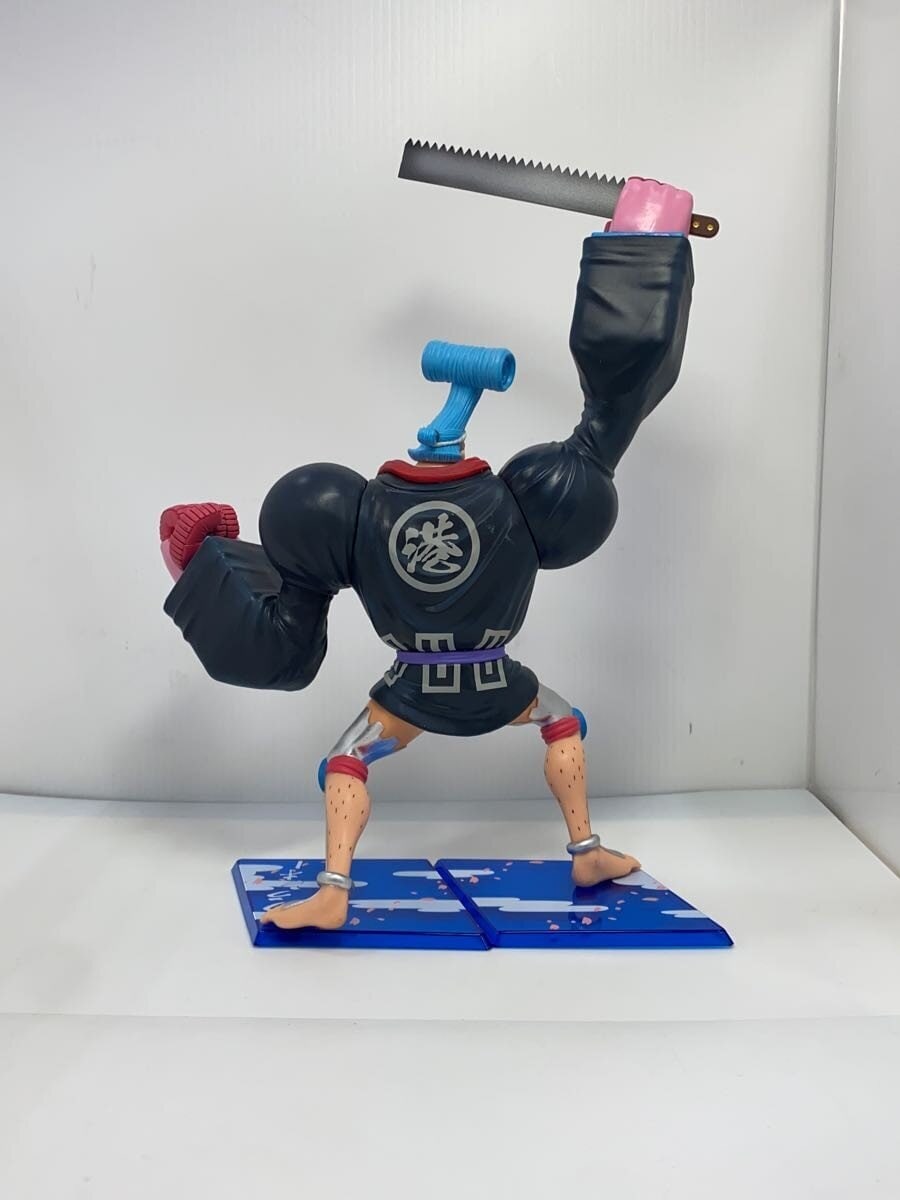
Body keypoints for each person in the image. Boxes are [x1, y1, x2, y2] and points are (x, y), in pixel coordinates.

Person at [160, 178, 695, 930]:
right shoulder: (525, 504)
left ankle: (333, 891)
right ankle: (586, 849)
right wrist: (643, 250)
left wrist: (204, 568)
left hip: (411, 692)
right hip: (497, 684)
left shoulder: (350, 517)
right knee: (563, 721)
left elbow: (287, 641)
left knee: (345, 760)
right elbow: (612, 418)